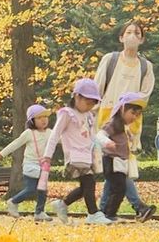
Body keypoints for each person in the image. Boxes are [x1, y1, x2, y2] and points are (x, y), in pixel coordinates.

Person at [95, 20, 157, 222]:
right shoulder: (110, 59)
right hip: (108, 117)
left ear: (142, 38)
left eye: (136, 32)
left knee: (118, 168)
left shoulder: (146, 67)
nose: (132, 35)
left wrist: (132, 114)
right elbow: (98, 87)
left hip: (130, 121)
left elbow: (145, 95)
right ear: (121, 37)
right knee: (116, 167)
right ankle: (134, 206)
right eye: (128, 31)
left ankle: (104, 212)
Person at [42, 79, 110, 224]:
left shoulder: (89, 116)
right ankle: (93, 213)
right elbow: (55, 134)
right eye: (88, 102)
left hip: (87, 155)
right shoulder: (67, 114)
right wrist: (48, 155)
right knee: (89, 183)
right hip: (74, 155)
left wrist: (100, 150)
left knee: (86, 186)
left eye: (93, 104)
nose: (90, 106)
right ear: (77, 96)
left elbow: (92, 136)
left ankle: (62, 204)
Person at [0, 104, 53, 221]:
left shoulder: (50, 133)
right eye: (39, 118)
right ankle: (13, 201)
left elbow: (62, 140)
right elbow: (16, 143)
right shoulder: (29, 133)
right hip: (30, 165)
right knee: (36, 186)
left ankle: (39, 211)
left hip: (43, 166)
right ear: (32, 121)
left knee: (39, 189)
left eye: (45, 117)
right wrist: (2, 154)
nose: (43, 120)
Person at [98, 92, 149, 221]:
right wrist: (107, 142)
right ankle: (110, 214)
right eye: (132, 113)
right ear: (122, 109)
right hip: (112, 161)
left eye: (137, 115)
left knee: (111, 187)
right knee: (119, 189)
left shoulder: (123, 127)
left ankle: (103, 212)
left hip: (120, 162)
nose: (134, 117)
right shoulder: (113, 124)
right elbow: (99, 135)